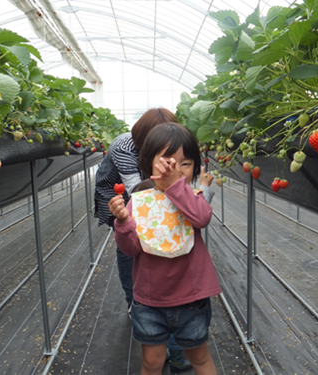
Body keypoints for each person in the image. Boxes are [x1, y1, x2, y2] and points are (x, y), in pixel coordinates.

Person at [108, 122, 221, 375]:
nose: (177, 170)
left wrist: (175, 188)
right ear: (149, 163)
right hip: (150, 301)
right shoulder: (140, 201)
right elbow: (131, 248)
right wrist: (123, 222)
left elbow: (202, 218)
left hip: (191, 299)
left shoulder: (192, 198)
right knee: (151, 363)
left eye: (185, 163)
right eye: (168, 163)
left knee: (199, 358)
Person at [93, 108, 193, 372]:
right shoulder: (124, 146)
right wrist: (178, 188)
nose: (166, 152)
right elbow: (140, 190)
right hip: (118, 198)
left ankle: (171, 337)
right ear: (143, 142)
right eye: (158, 147)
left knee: (161, 246)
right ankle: (134, 302)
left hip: (155, 192)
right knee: (130, 248)